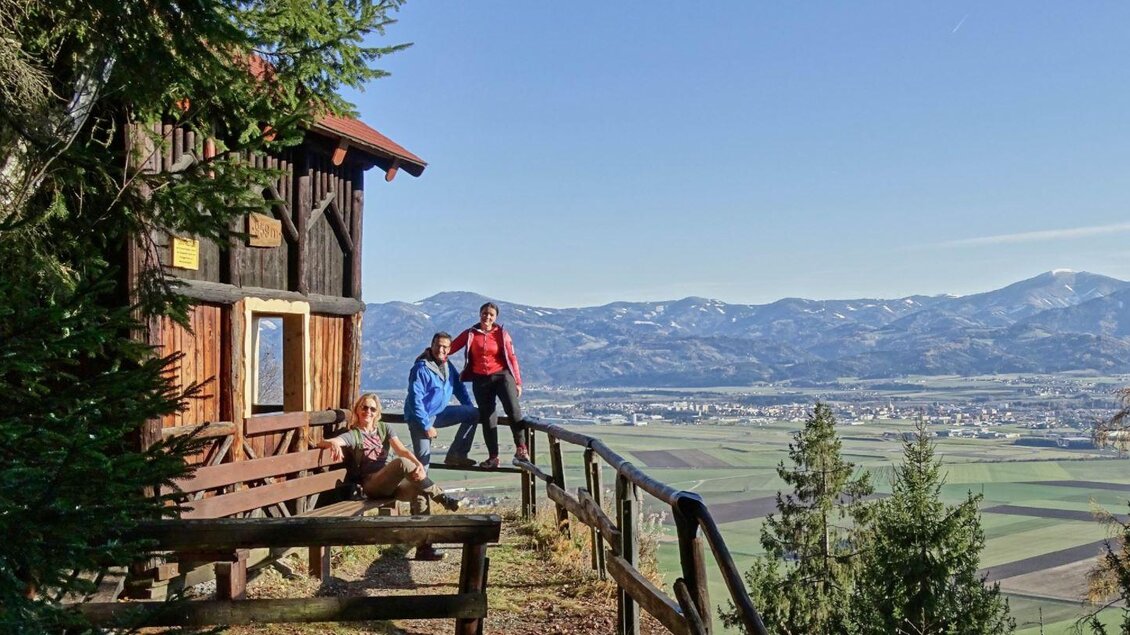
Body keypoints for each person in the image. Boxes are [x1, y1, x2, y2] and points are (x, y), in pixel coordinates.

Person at [316, 394, 460, 561]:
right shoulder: (354, 434)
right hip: (371, 485)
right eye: (364, 407)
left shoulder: (384, 429)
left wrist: (419, 465)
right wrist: (332, 443)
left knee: (419, 492)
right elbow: (325, 442)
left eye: (372, 409)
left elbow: (402, 450)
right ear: (357, 409)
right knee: (401, 463)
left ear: (377, 413)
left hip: (391, 485)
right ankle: (442, 497)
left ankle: (424, 548)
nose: (367, 411)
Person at [450, 302, 528, 468]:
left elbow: (513, 358)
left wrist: (518, 382)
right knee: (488, 417)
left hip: (501, 376)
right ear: (480, 314)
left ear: (495, 317)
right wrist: (430, 352)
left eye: (491, 314)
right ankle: (493, 457)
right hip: (481, 380)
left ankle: (521, 448)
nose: (487, 317)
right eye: (485, 313)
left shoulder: (502, 334)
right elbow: (451, 347)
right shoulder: (470, 333)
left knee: (513, 410)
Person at [404, 331, 480, 469]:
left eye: (445, 347)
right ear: (432, 345)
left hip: (439, 413)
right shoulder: (421, 368)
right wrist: (426, 426)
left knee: (474, 413)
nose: (441, 350)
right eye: (438, 345)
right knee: (423, 463)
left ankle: (457, 454)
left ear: (449, 349)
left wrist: (468, 406)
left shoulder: (447, 365)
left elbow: (458, 386)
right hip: (420, 419)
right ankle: (420, 490)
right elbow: (415, 400)